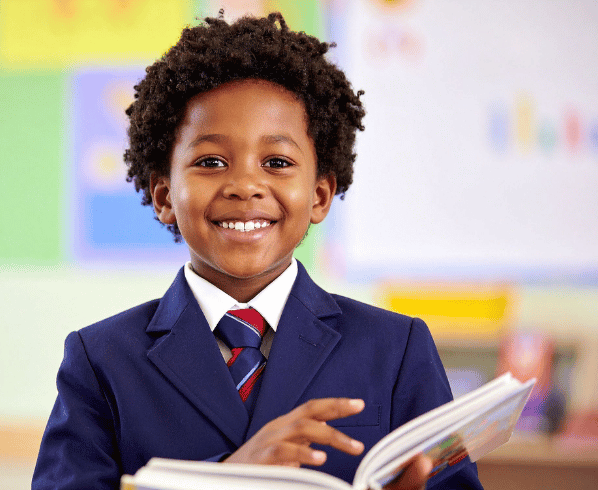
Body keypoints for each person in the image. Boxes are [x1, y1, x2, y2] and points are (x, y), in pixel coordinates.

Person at [32, 12, 482, 490]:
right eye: (210, 161)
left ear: (320, 196)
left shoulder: (396, 349)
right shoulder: (101, 359)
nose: (245, 185)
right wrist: (229, 478)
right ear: (164, 196)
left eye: (277, 162)